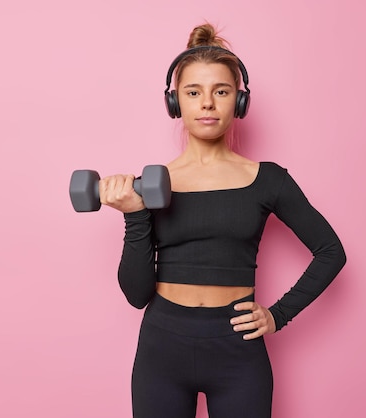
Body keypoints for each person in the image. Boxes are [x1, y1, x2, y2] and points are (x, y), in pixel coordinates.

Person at [98, 23, 346, 418]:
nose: (207, 103)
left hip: (237, 352)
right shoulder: (151, 184)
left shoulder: (268, 179)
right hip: (163, 347)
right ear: (175, 102)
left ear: (239, 103)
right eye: (193, 92)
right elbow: (136, 294)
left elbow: (331, 252)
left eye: (222, 91)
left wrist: (277, 315)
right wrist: (134, 215)